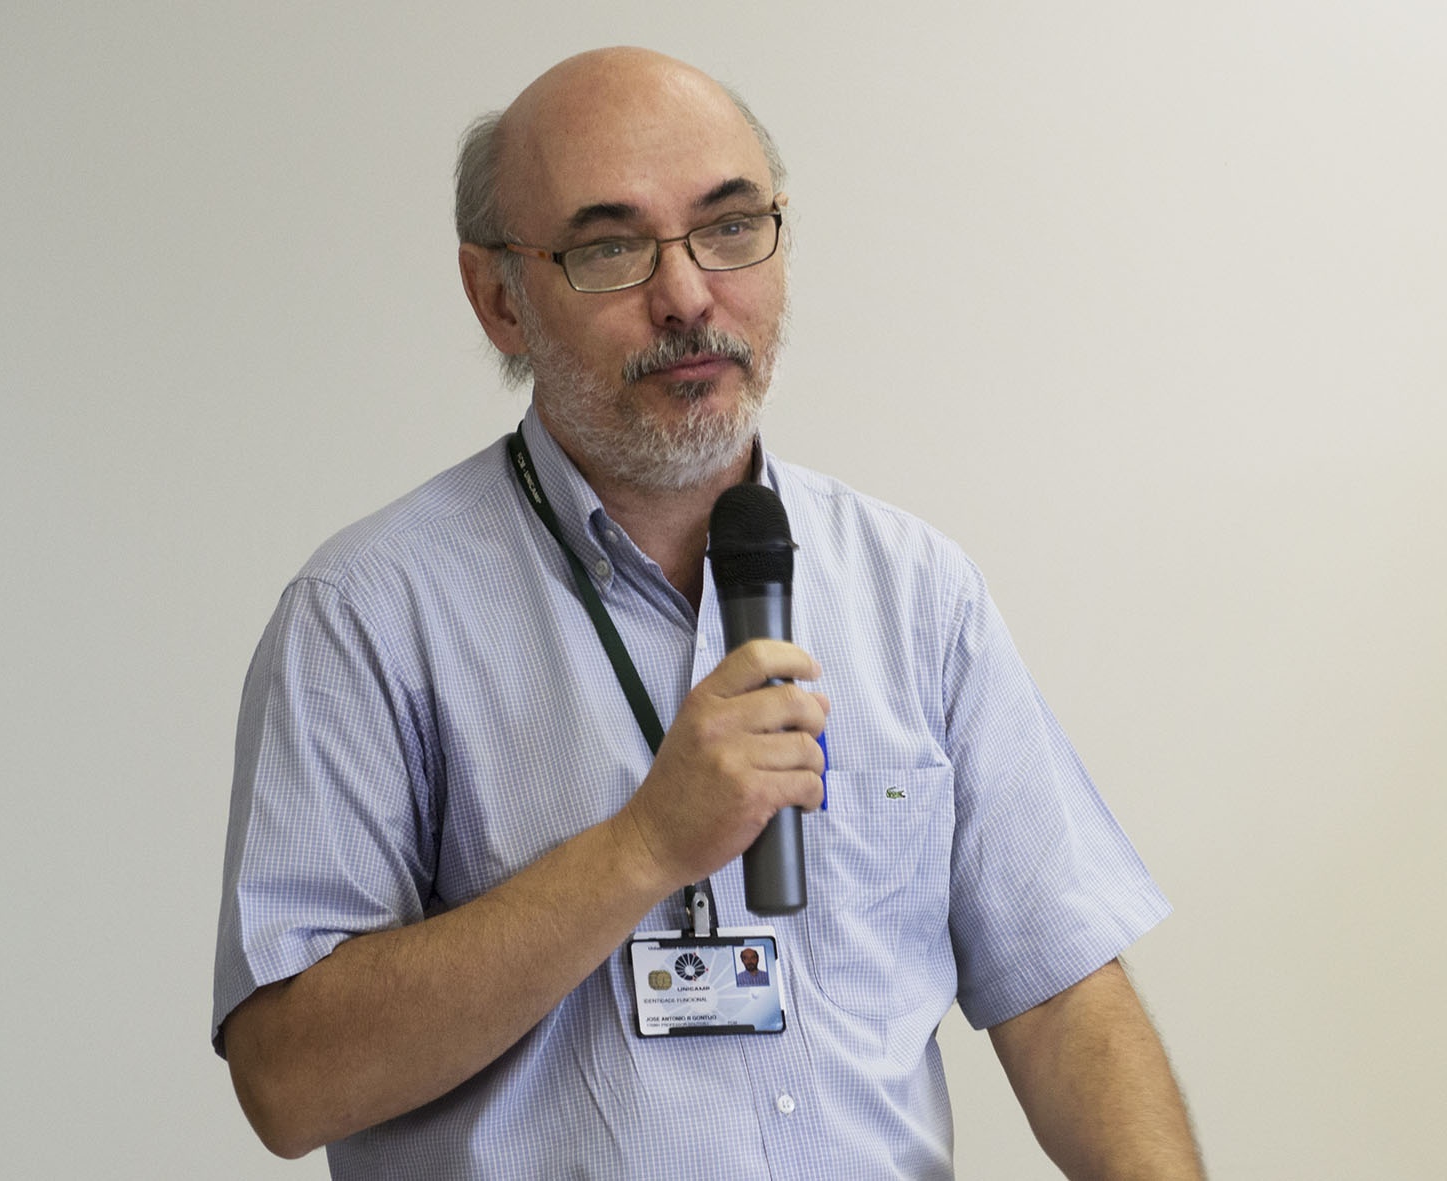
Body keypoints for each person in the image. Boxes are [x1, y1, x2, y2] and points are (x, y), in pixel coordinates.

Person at [212, 46, 1205, 1180]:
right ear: (500, 297)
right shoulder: (368, 616)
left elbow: (1063, 994)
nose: (686, 294)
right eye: (611, 247)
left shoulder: (913, 588)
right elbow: (290, 1080)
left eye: (730, 227)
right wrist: (641, 846)